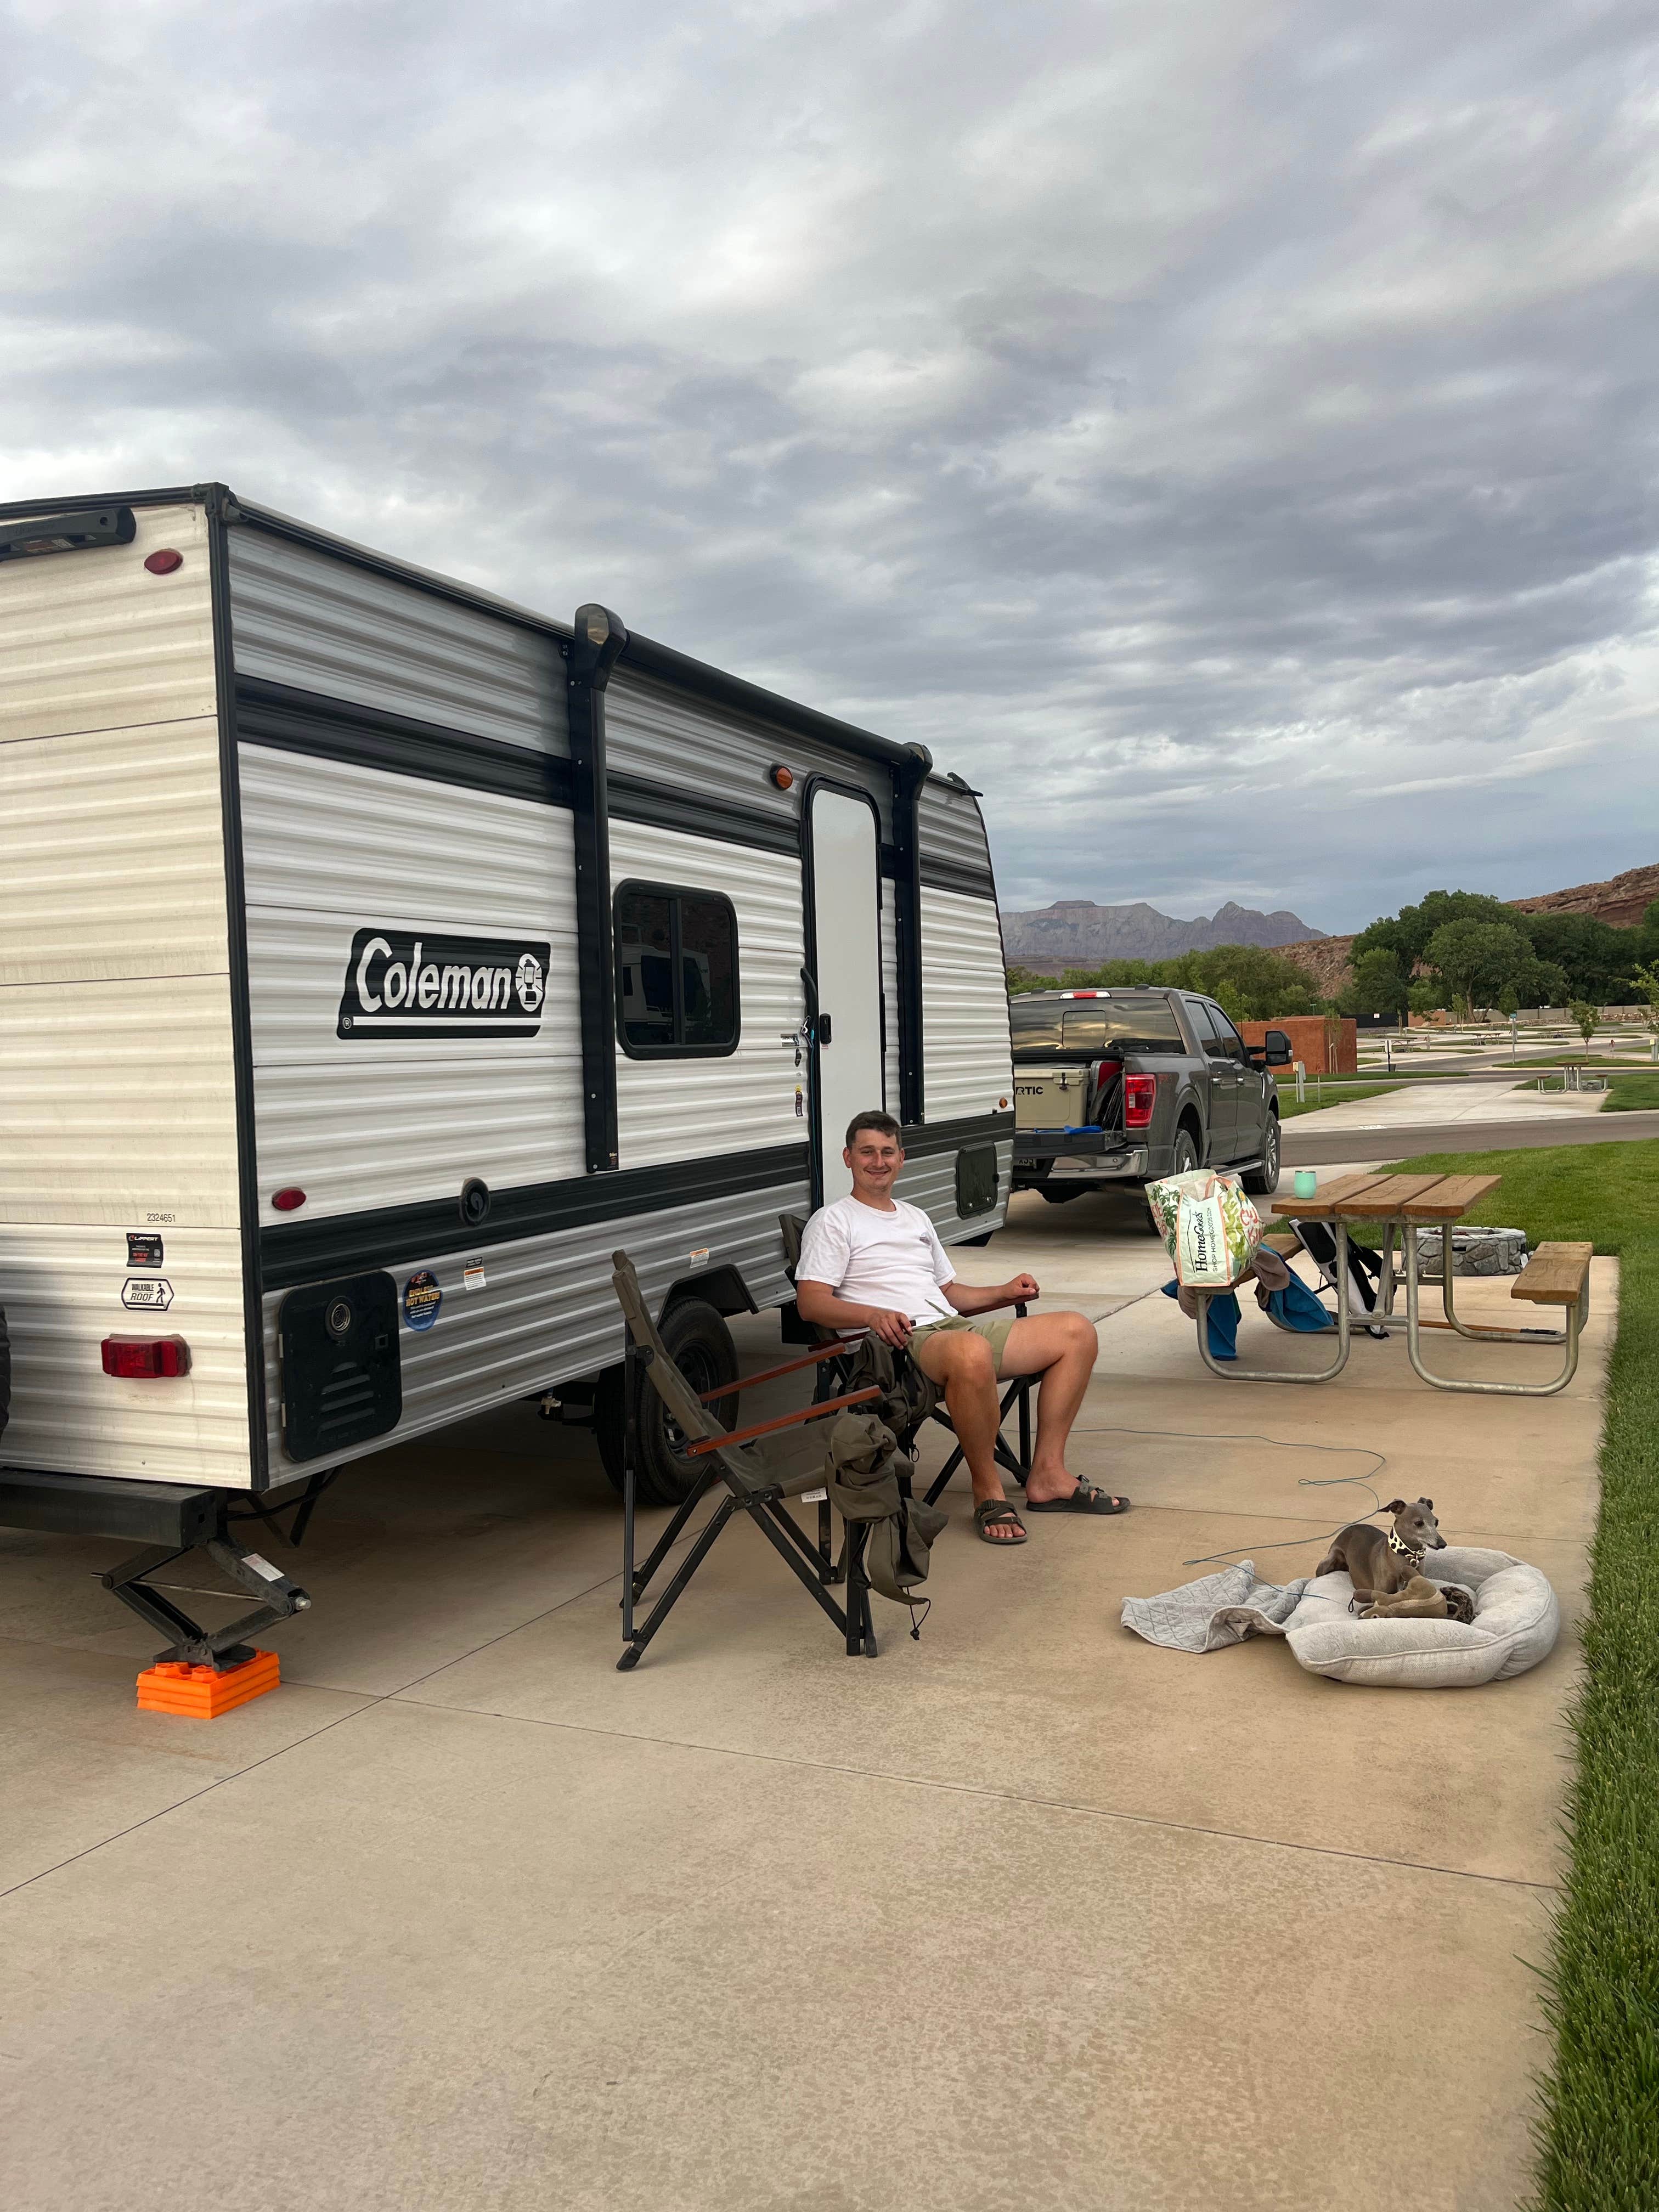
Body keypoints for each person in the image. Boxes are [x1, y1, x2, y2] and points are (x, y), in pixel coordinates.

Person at [794, 1110, 1128, 1548]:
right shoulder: (833, 1221)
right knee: (969, 1354)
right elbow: (810, 1303)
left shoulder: (914, 1217)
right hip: (892, 1345)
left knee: (1077, 1332)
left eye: (887, 1152)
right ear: (847, 1158)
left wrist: (1004, 1292)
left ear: (901, 1159)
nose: (878, 1161)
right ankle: (987, 1490)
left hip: (947, 1328)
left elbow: (949, 1292)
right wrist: (871, 1315)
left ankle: (1047, 1475)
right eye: (867, 1152)